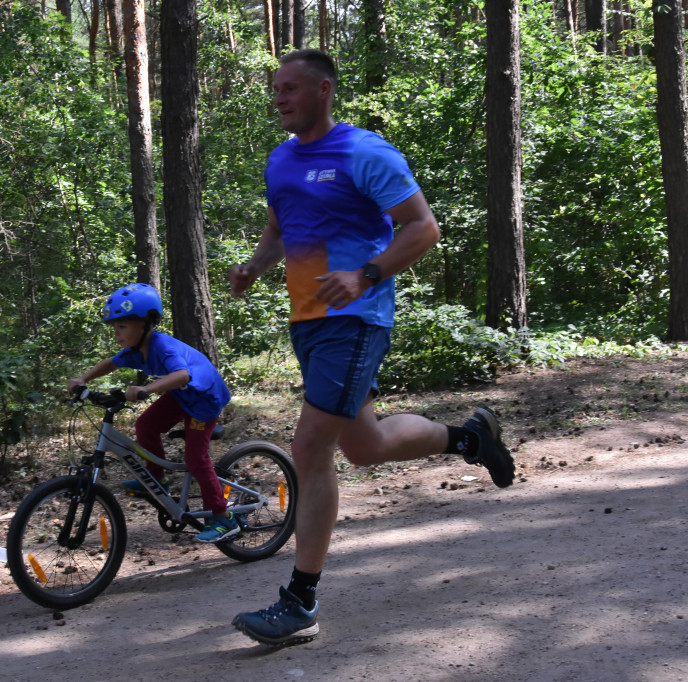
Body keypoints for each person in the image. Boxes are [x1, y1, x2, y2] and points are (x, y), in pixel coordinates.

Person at [228, 49, 515, 647]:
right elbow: (282, 224)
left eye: (290, 88)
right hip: (307, 321)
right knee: (365, 445)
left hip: (354, 319)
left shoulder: (365, 152)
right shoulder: (281, 160)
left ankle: (299, 602)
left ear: (324, 91)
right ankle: (469, 438)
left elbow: (422, 227)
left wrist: (367, 273)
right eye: (275, 89)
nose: (279, 98)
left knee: (309, 448)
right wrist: (257, 264)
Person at [67, 283, 238, 543]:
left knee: (195, 457)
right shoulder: (137, 351)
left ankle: (222, 517)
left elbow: (182, 375)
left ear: (145, 324)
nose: (117, 333)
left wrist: (146, 388)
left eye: (122, 326)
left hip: (204, 398)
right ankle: (157, 479)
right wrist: (83, 378)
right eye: (115, 327)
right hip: (182, 395)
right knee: (145, 426)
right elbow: (111, 363)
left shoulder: (162, 347)